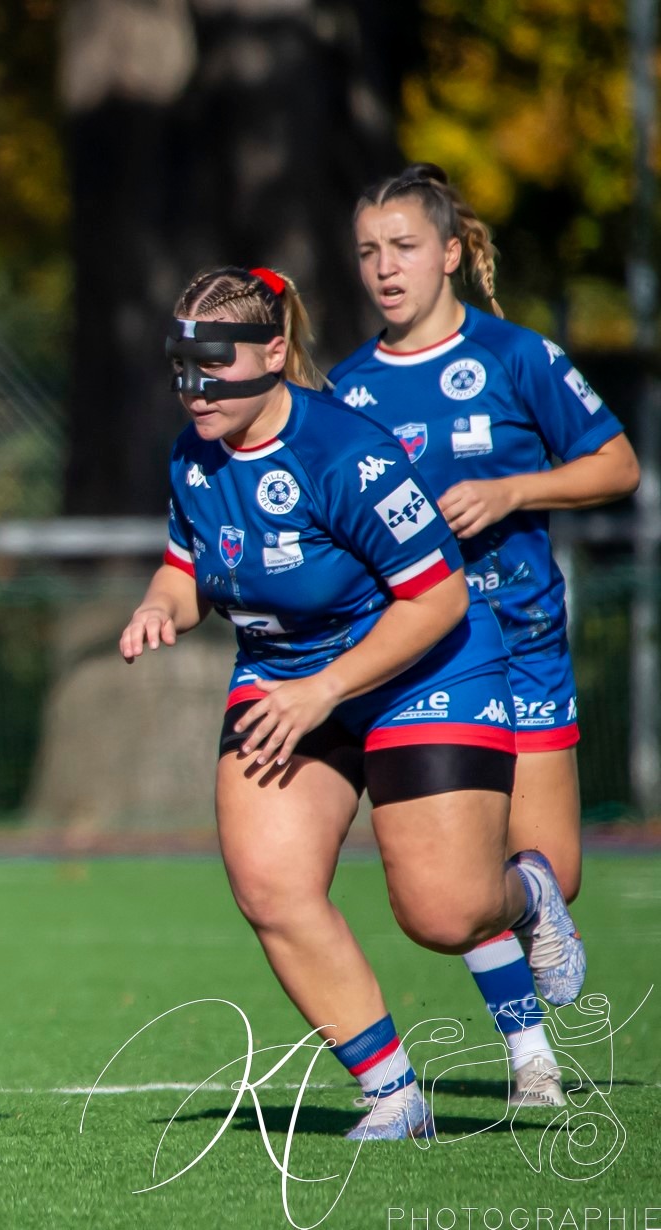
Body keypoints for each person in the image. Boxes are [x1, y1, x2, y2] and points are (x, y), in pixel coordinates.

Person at [119, 265, 585, 1140]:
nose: (194, 390)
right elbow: (187, 567)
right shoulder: (193, 454)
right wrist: (160, 606)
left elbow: (439, 597)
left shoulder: (345, 452)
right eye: (180, 368)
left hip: (425, 667)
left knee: (444, 915)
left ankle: (527, 894)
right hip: (284, 673)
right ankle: (393, 1091)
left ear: (272, 352)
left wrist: (324, 690)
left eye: (212, 367)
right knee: (271, 886)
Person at [330, 164, 639, 1106]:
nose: (386, 269)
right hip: (429, 664)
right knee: (457, 882)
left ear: (453, 253)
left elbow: (617, 465)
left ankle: (532, 963)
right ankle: (531, 1058)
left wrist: (513, 490)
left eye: (406, 247)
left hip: (529, 641)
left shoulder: (516, 358)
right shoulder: (344, 392)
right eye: (369, 253)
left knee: (551, 874)